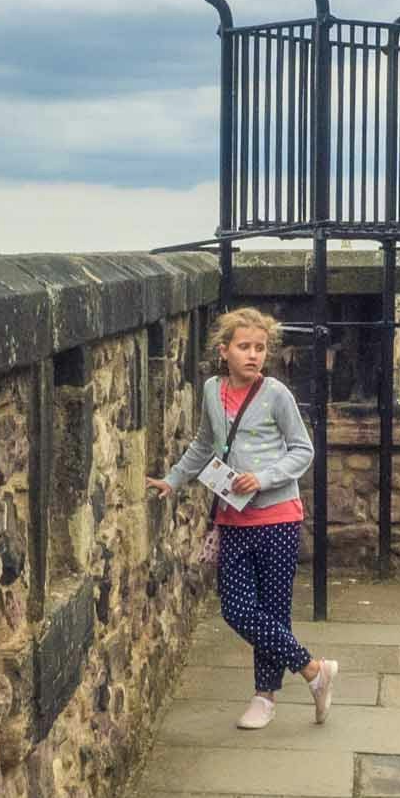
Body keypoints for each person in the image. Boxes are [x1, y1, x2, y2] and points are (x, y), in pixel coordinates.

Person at [149, 307, 337, 729]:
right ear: (224, 350)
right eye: (244, 347)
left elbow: (302, 449)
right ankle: (314, 671)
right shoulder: (212, 390)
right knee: (236, 610)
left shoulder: (276, 394)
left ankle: (264, 698)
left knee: (273, 611)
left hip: (277, 518)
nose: (253, 355)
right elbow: (203, 445)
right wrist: (172, 480)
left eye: (260, 348)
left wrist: (264, 478)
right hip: (232, 520)